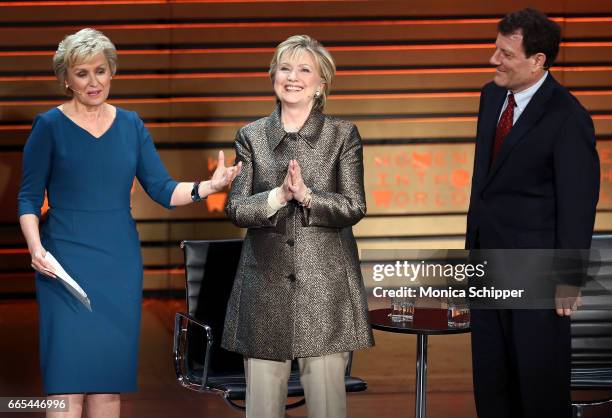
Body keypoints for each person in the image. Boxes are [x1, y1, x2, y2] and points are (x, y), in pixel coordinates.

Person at [17, 28, 241, 418]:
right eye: (82, 73)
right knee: (67, 384)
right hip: (62, 263)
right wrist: (36, 249)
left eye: (100, 71)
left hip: (117, 264)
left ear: (112, 72)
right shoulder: (49, 126)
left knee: (108, 385)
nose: (93, 82)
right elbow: (29, 198)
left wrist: (210, 186)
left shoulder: (131, 126)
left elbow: (162, 188)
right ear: (65, 79)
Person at [222, 35, 374, 418]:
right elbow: (236, 207)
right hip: (264, 288)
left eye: (304, 69)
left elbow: (354, 206)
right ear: (273, 75)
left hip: (326, 292)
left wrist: (307, 197)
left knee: (327, 408)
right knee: (261, 408)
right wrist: (277, 197)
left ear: (322, 83)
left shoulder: (343, 135)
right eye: (285, 68)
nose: (293, 77)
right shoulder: (251, 136)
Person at [465, 8, 600, 418]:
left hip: (538, 274)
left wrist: (568, 277)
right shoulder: (491, 97)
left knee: (537, 384)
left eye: (505, 53)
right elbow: (483, 185)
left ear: (538, 60)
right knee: (491, 380)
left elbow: (579, 202)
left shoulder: (568, 117)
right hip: (488, 265)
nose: (494, 61)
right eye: (495, 49)